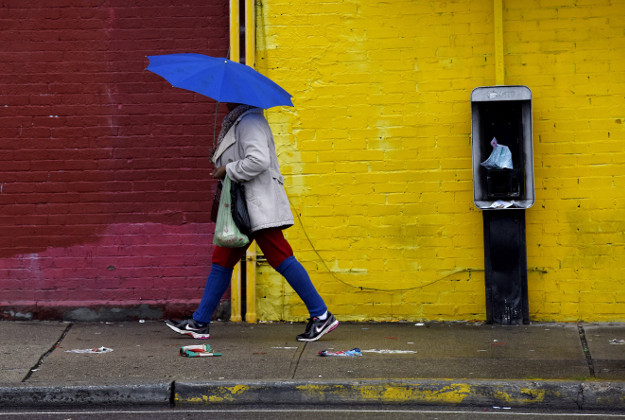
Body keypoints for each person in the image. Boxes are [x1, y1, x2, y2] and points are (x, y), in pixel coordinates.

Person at [165, 103, 338, 342]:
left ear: (239, 98)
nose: (223, 100)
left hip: (257, 204)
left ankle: (321, 315)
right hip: (245, 207)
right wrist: (220, 161)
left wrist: (227, 168)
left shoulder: (250, 122)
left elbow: (258, 160)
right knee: (222, 260)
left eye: (228, 96)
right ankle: (200, 322)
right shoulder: (238, 122)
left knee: (281, 257)